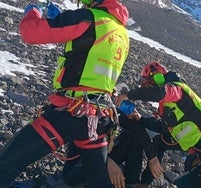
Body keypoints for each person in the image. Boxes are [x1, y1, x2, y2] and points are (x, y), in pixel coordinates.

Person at [0, 0, 129, 187]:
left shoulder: (89, 18)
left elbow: (30, 32)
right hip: (98, 119)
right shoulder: (121, 32)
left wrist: (32, 12)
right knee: (98, 181)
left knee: (7, 163)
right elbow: (90, 50)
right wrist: (61, 19)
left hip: (70, 112)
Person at [114, 61, 201, 188]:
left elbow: (158, 93)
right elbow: (163, 128)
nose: (145, 87)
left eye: (146, 82)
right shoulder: (168, 104)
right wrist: (141, 119)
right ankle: (144, 184)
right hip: (194, 143)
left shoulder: (175, 89)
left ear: (158, 78)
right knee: (159, 142)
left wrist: (129, 95)